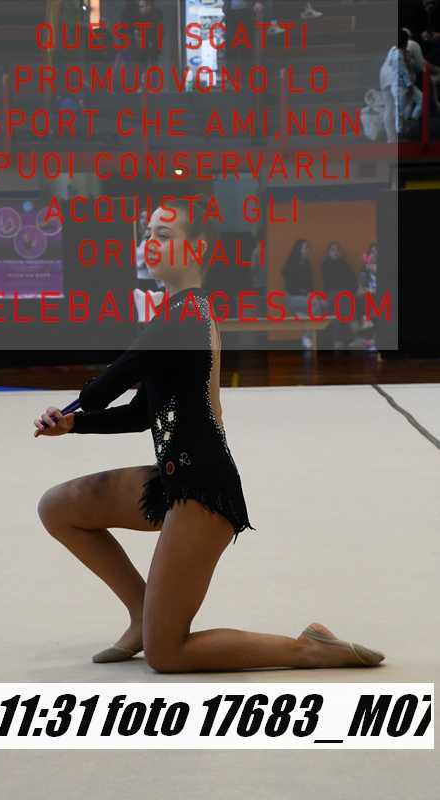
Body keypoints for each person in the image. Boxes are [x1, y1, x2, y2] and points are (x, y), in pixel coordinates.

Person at [33, 200, 385, 673]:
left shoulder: (186, 315)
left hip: (202, 490)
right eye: (147, 233)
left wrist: (82, 402)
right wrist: (75, 423)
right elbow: (141, 413)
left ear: (197, 249)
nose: (150, 242)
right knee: (58, 507)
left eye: (164, 234)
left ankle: (309, 647)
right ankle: (141, 612)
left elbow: (115, 379)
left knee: (167, 653)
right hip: (171, 479)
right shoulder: (173, 316)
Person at [380, 28, 423, 142]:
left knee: (392, 108)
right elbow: (418, 66)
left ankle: (394, 137)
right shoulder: (410, 46)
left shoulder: (394, 50)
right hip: (399, 82)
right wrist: (409, 84)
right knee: (399, 109)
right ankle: (399, 134)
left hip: (388, 78)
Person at [281, 239, 322, 349]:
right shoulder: (291, 265)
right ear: (299, 249)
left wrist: (311, 294)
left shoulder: (307, 265)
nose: (308, 250)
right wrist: (306, 294)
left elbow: (310, 286)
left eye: (308, 248)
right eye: (305, 247)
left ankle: (308, 335)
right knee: (315, 304)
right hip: (292, 298)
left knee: (322, 304)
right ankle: (308, 336)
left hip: (304, 298)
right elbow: (291, 288)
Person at [320, 241, 357, 349]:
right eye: (333, 250)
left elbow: (352, 280)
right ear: (328, 252)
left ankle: (338, 341)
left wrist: (350, 290)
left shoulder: (345, 264)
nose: (336, 252)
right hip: (332, 293)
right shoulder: (326, 265)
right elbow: (330, 282)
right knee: (343, 301)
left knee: (340, 307)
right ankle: (354, 330)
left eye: (337, 250)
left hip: (345, 293)